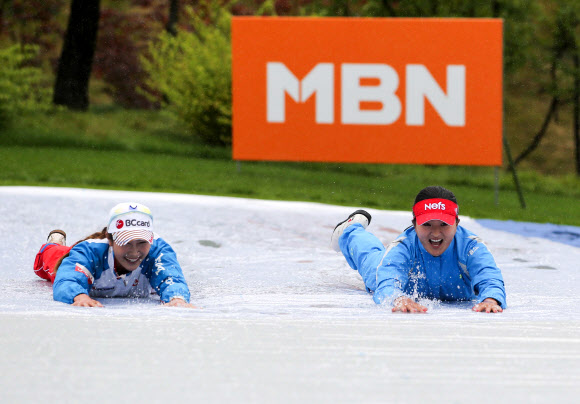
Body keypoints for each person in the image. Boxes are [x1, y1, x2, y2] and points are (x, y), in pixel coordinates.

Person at [331, 186, 506, 313]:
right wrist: (398, 298)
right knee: (370, 258)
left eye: (444, 224)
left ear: (457, 223)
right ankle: (351, 230)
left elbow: (489, 276)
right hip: (386, 266)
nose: (436, 233)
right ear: (414, 224)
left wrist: (491, 299)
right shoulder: (404, 247)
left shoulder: (471, 247)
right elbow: (387, 282)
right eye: (427, 224)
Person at [34, 202, 196, 308]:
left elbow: (171, 278)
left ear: (151, 239)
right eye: (126, 242)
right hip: (78, 258)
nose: (134, 251)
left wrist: (177, 298)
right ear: (110, 239)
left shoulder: (159, 250)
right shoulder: (90, 251)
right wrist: (79, 296)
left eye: (142, 242)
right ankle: (55, 243)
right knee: (57, 259)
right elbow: (67, 279)